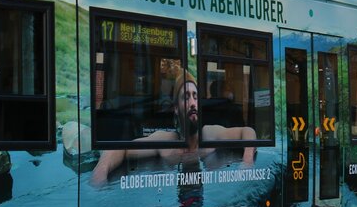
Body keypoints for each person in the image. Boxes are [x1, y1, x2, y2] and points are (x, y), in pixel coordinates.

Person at [90, 72, 257, 185]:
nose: (192, 103)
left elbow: (247, 131)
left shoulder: (209, 134)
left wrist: (247, 161)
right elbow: (122, 148)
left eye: (195, 96)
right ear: (176, 108)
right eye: (186, 97)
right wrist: (100, 172)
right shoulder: (166, 141)